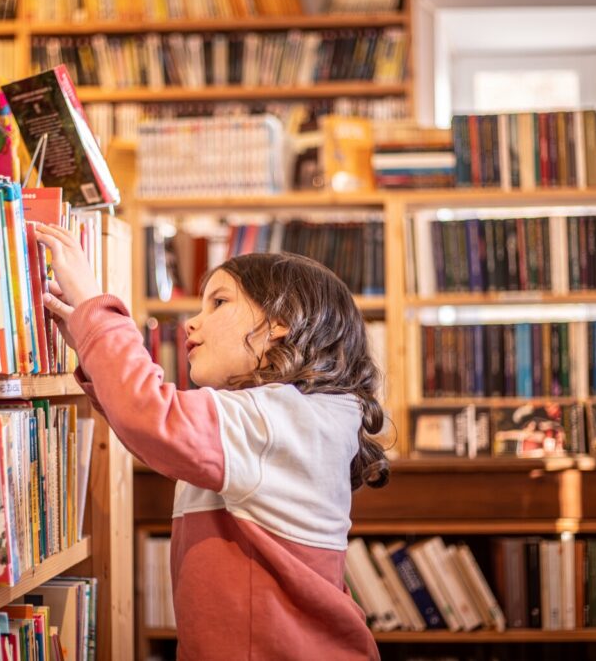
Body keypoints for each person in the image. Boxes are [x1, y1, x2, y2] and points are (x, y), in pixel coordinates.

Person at [36, 223, 389, 660]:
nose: (192, 323)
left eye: (219, 302)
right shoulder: (283, 415)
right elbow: (154, 436)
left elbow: (151, 418)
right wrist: (94, 353)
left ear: (280, 323)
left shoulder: (281, 418)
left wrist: (96, 311)